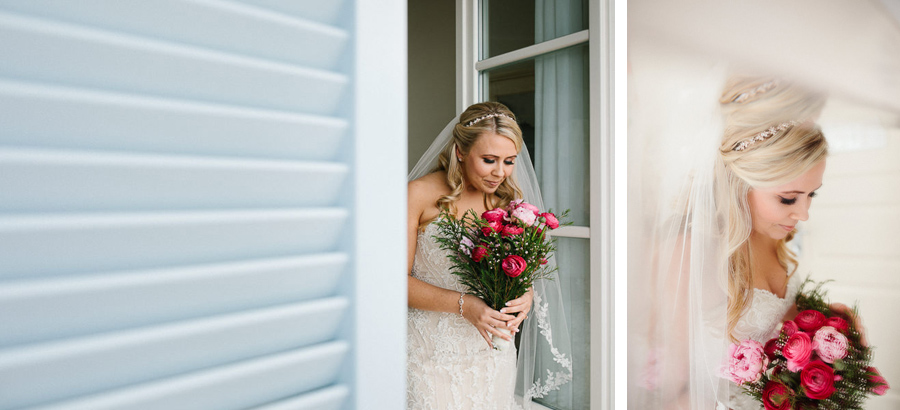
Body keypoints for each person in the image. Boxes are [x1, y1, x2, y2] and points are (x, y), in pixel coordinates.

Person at [630, 74, 830, 409]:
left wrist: (828, 326)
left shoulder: (775, 238)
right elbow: (670, 390)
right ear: (740, 183)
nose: (803, 215)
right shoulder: (688, 254)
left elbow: (785, 333)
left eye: (812, 195)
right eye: (788, 199)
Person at [407, 102, 573, 409]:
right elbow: (394, 283)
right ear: (460, 151)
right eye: (489, 160)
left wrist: (526, 293)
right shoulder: (417, 194)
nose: (500, 172)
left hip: (492, 356)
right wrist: (464, 305)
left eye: (509, 161)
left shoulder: (510, 203)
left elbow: (513, 272)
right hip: (430, 355)